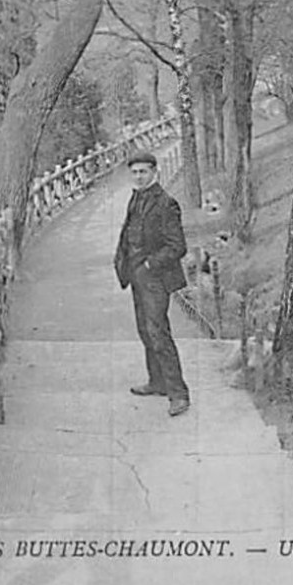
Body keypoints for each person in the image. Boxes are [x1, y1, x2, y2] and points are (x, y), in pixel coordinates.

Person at [114, 150, 190, 417]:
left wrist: (150, 265)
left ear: (154, 172)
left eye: (143, 171)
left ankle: (178, 394)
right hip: (136, 277)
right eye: (134, 172)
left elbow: (177, 246)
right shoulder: (135, 198)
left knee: (158, 332)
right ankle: (156, 382)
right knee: (145, 331)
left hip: (155, 279)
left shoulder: (166, 203)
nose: (138, 176)